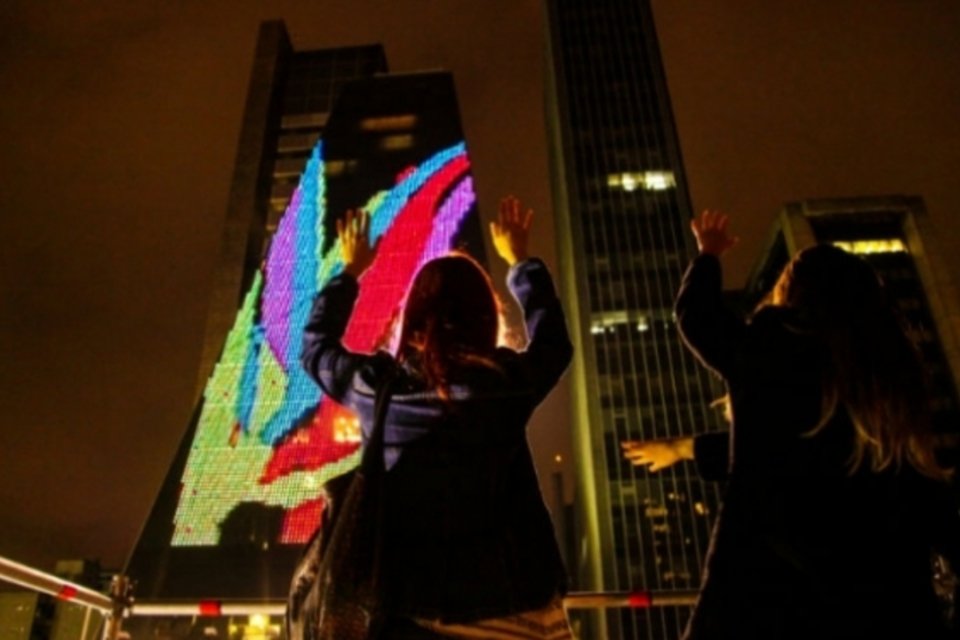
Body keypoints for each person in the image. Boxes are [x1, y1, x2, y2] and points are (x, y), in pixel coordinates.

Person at [624, 210, 960, 639]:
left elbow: (697, 317)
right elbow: (909, 485)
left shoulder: (773, 346)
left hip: (765, 599)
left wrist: (708, 254)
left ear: (792, 293)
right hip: (886, 604)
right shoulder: (894, 374)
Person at [300, 196, 574, 639]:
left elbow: (315, 348)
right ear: (485, 316)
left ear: (414, 316)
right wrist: (520, 261)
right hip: (511, 604)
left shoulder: (377, 388)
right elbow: (554, 346)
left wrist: (352, 272)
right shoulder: (504, 385)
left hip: (404, 608)